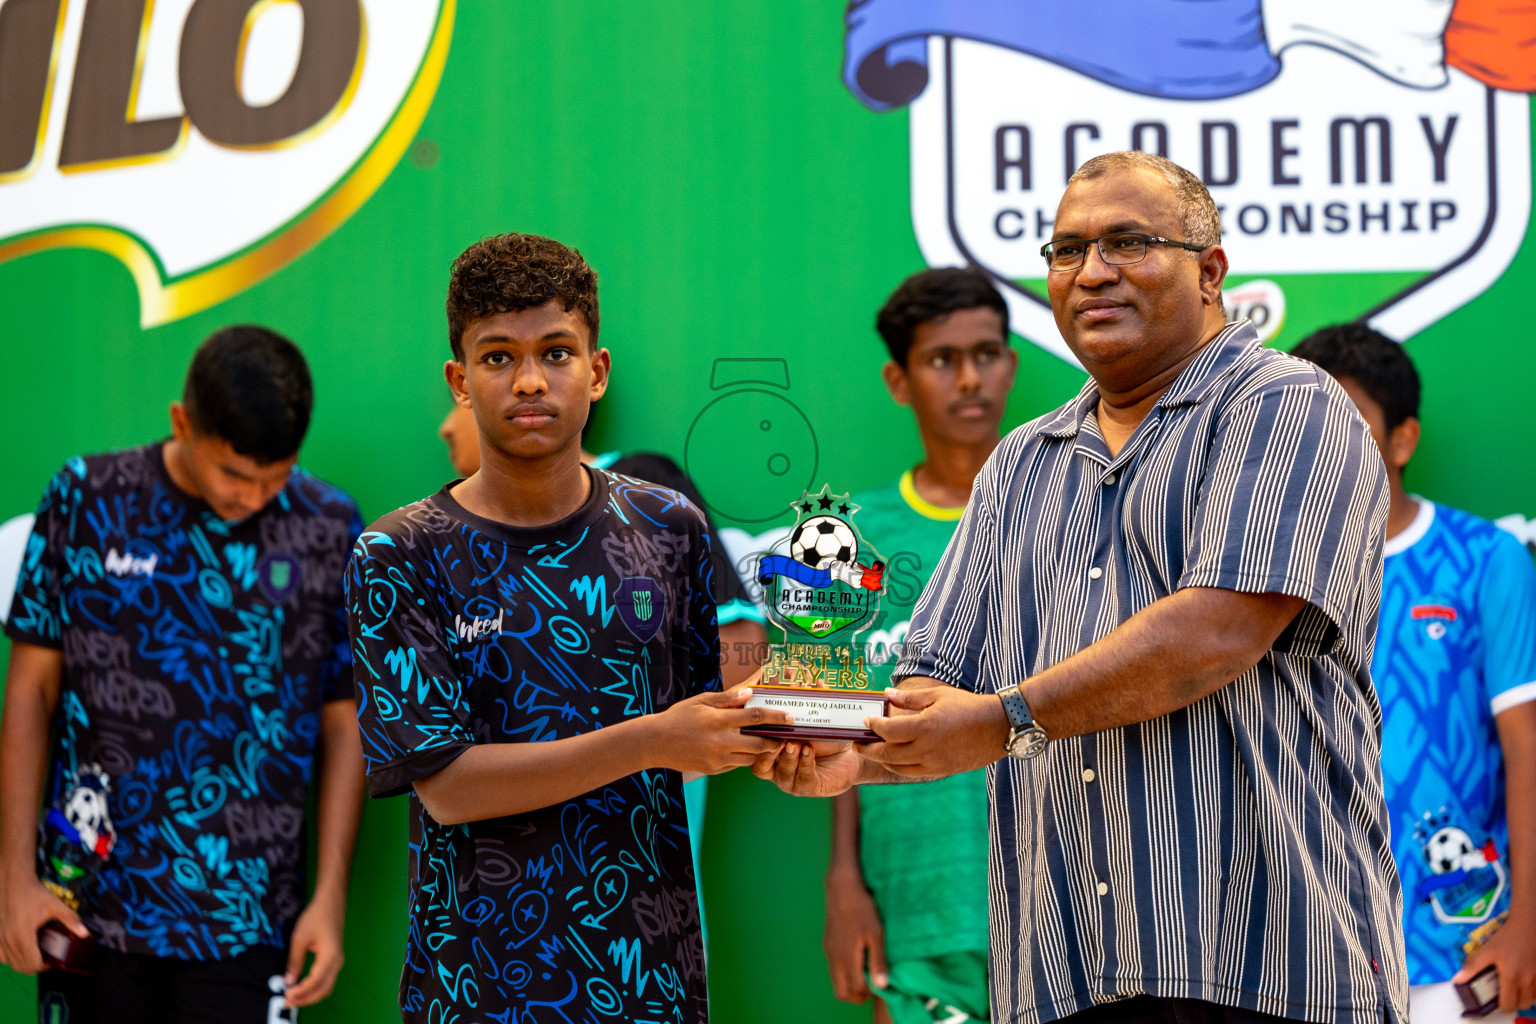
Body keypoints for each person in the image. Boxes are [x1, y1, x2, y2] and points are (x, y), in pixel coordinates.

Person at [753, 150, 1410, 1024]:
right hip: (1065, 976)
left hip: (1272, 962)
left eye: (1129, 242)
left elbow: (1211, 634)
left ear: (1210, 272)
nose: (1092, 272)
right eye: (1067, 251)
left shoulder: (1289, 406)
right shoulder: (1022, 464)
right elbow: (933, 687)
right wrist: (848, 752)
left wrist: (1001, 718)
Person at [346, 232, 788, 1023]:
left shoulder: (668, 526)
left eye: (555, 352)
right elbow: (445, 787)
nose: (527, 381)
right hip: (477, 988)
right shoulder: (398, 553)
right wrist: (654, 740)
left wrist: (811, 716)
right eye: (496, 357)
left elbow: (705, 726)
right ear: (459, 380)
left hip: (651, 981)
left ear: (597, 370)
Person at [0, 327, 365, 1023]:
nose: (255, 497)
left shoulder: (328, 525)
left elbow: (343, 721)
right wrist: (13, 881)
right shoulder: (86, 498)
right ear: (181, 422)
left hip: (251, 918)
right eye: (234, 474)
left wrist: (331, 896)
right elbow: (29, 692)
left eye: (276, 476)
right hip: (87, 908)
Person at [1291, 325, 1536, 1021]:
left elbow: (1528, 747)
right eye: (1307, 429)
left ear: (1402, 440)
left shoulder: (1485, 560)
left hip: (1462, 947)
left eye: (1351, 427)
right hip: (1305, 952)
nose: (1327, 451)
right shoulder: (1262, 585)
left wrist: (1530, 925)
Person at [822, 267, 1016, 1024]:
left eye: (988, 353)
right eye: (942, 360)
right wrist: (845, 881)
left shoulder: (1069, 515)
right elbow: (831, 724)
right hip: (915, 896)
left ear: (1012, 362)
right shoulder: (847, 540)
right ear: (899, 381)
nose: (971, 379)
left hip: (1065, 900)